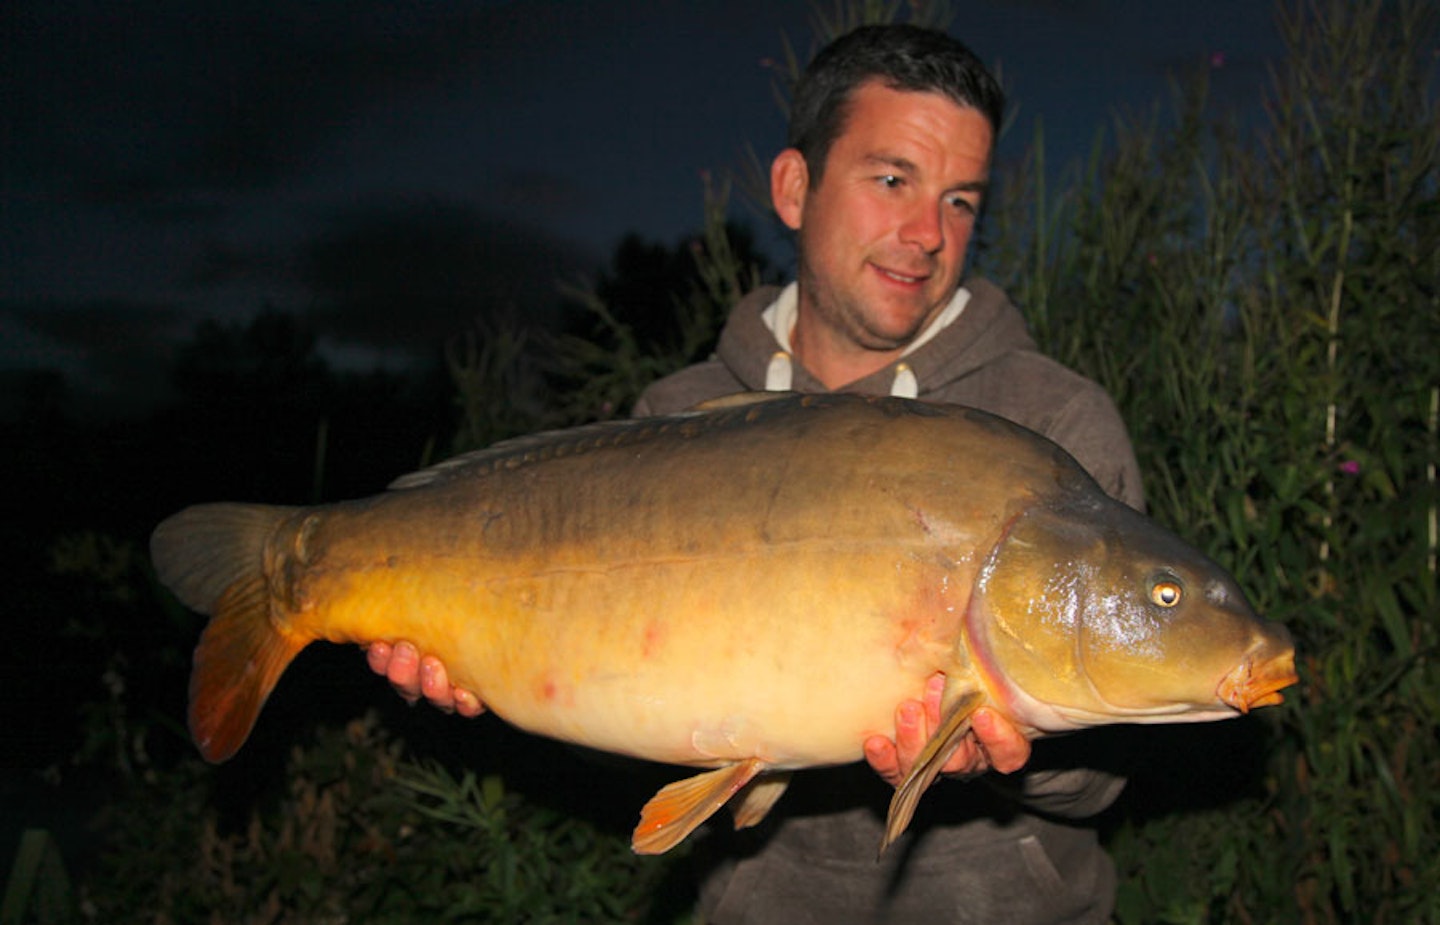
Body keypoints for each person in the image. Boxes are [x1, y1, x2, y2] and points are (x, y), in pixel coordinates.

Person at [368, 23, 1144, 924]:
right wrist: (482, 669)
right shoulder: (673, 420)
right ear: (793, 186)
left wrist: (1021, 752)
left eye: (962, 200)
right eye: (893, 179)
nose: (928, 233)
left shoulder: (1052, 423)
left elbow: (1107, 778)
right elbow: (626, 727)